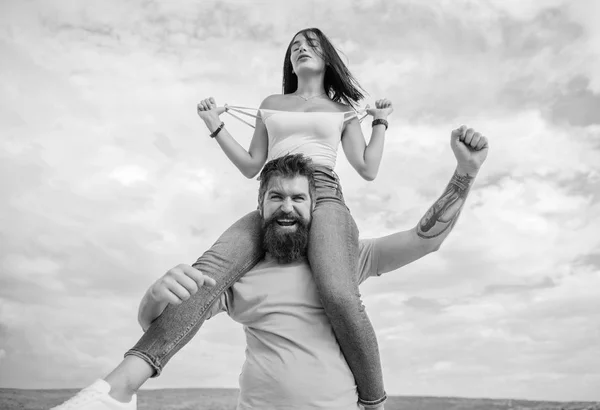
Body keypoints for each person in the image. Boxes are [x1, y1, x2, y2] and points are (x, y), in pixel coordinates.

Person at [52, 27, 395, 410]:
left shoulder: (341, 110)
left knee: (337, 292)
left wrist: (379, 122)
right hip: (275, 196)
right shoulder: (271, 103)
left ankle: (373, 401)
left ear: (326, 56)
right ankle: (114, 390)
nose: (301, 49)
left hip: (324, 197)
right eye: (295, 46)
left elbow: (367, 168)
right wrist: (214, 126)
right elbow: (252, 166)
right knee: (207, 273)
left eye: (310, 44)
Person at [52, 126, 488, 409]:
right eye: (276, 197)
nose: (287, 207)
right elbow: (171, 323)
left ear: (316, 209)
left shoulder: (349, 260)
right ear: (260, 206)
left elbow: (424, 240)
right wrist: (153, 295)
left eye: (299, 199)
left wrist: (464, 173)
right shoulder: (240, 275)